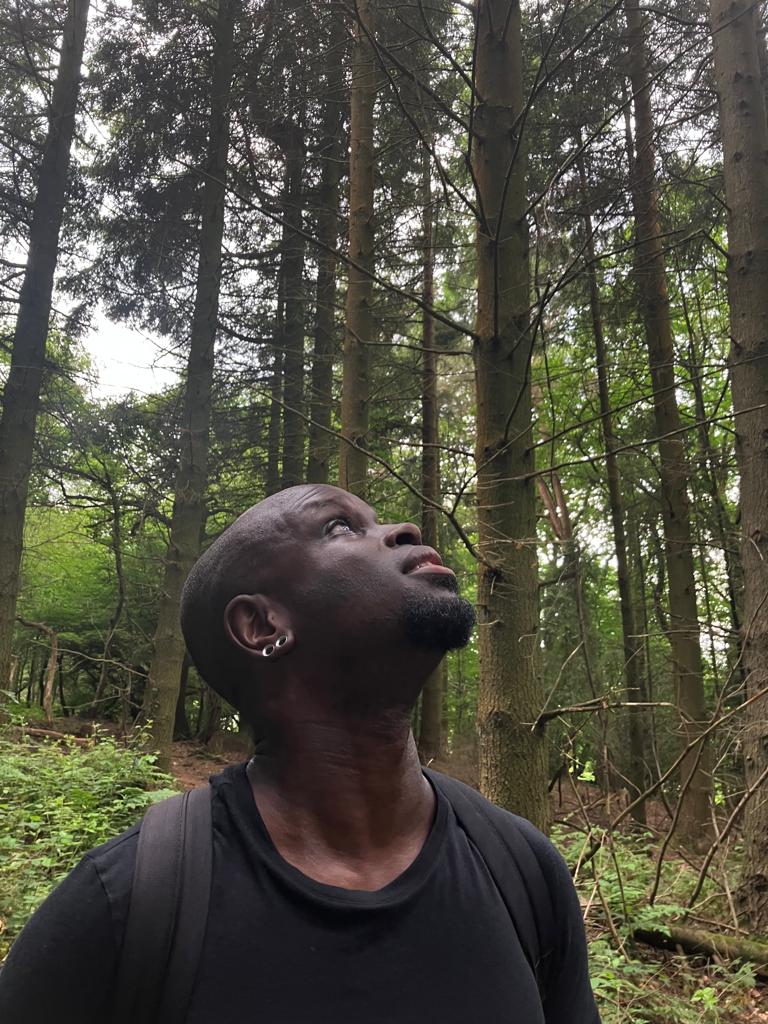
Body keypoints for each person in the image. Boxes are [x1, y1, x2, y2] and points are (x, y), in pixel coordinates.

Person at [0, 484, 600, 1023]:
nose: (405, 530)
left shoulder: (521, 867)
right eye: (340, 526)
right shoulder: (130, 901)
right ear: (262, 626)